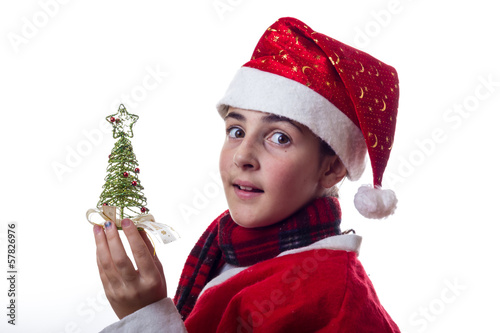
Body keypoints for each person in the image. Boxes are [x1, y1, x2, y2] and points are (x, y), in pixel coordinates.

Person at [93, 17, 401, 332]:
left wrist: (148, 317)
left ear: (332, 168)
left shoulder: (333, 294)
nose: (243, 155)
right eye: (236, 130)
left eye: (280, 137)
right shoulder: (222, 249)